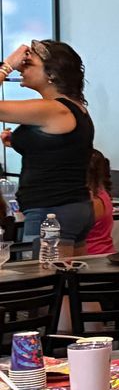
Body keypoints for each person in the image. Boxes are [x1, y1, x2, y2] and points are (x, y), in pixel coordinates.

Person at [0, 39, 95, 254]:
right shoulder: (72, 108)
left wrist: (7, 65)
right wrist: (17, 142)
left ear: (51, 74)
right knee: (67, 282)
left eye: (28, 64)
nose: (21, 68)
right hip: (71, 207)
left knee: (46, 284)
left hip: (52, 211)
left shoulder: (54, 109)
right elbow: (59, 150)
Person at [83, 149, 115, 255]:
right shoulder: (102, 192)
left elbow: (73, 230)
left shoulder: (92, 199)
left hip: (91, 256)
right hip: (103, 252)